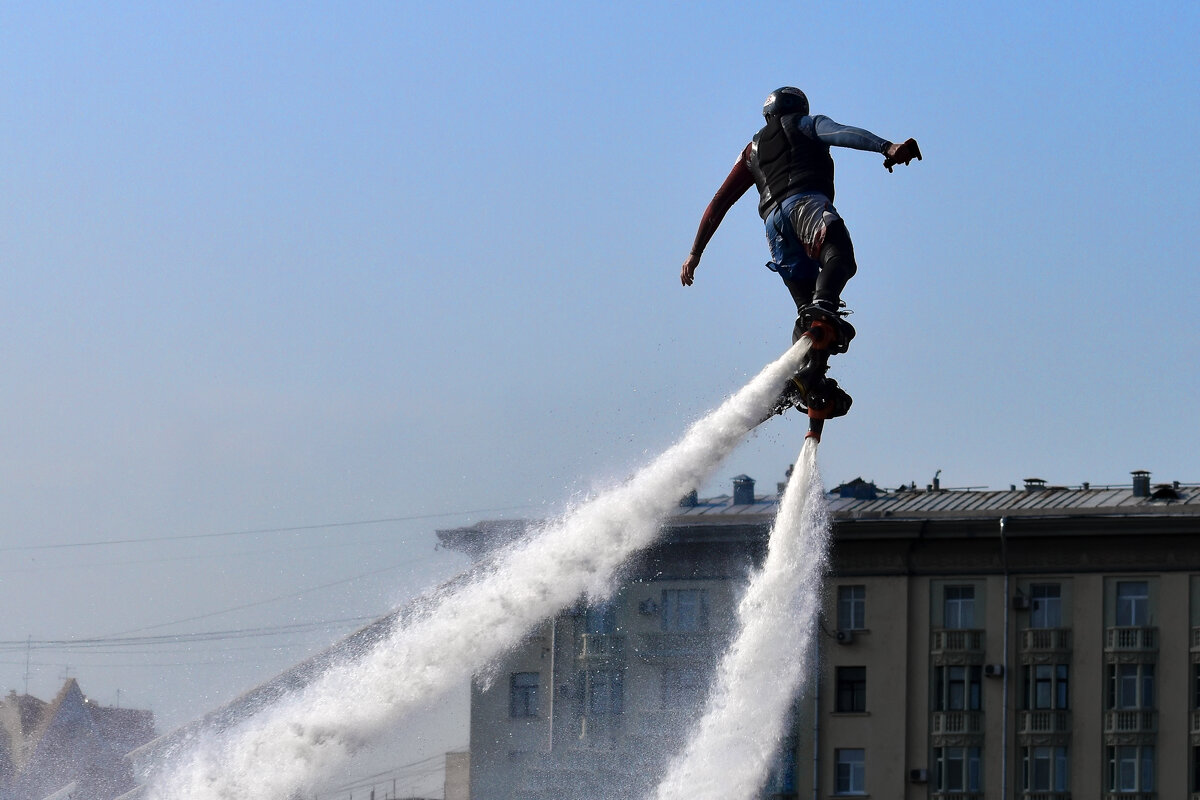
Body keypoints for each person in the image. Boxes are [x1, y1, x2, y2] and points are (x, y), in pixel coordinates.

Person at [679, 87, 920, 422]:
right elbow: (843, 134)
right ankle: (820, 319)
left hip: (775, 229)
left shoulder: (750, 151)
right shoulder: (807, 124)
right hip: (805, 205)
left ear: (768, 115)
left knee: (808, 314)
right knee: (839, 259)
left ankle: (809, 377)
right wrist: (887, 146)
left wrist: (695, 252)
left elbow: (719, 201)